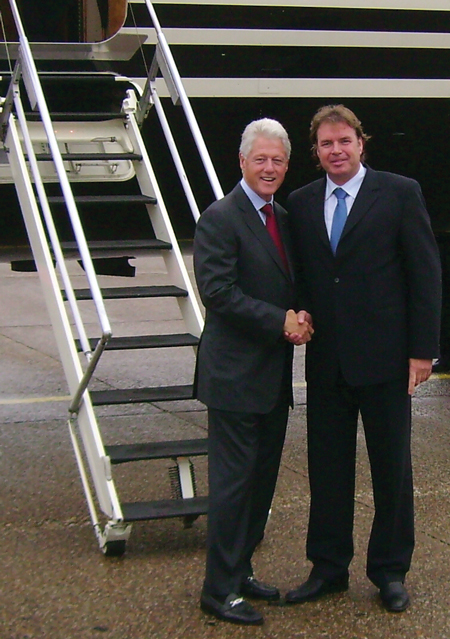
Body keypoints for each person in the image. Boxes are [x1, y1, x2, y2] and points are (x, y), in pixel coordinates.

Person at [285, 104, 441, 613]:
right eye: (326, 144)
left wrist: (422, 351)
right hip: (327, 362)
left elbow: (425, 275)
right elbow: (306, 276)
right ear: (316, 151)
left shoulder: (399, 193)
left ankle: (390, 571)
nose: (336, 151)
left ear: (361, 143)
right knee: (327, 468)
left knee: (391, 469)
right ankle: (328, 568)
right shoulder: (303, 202)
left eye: (344, 142)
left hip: (386, 360)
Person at [193, 118, 312, 626]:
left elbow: (285, 285)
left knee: (259, 487)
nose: (269, 168)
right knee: (233, 487)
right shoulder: (220, 218)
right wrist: (279, 320)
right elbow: (218, 293)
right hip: (234, 379)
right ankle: (217, 591)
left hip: (270, 381)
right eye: (260, 159)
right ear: (241, 162)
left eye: (278, 160)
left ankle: (239, 571)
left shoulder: (281, 217)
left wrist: (302, 313)